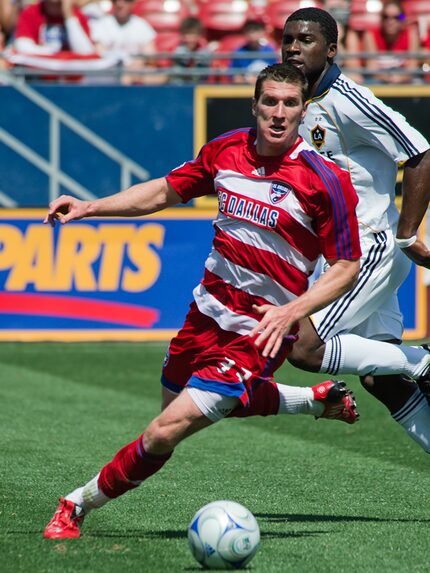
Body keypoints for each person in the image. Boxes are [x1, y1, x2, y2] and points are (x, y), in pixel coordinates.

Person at [42, 63, 362, 539]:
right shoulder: (225, 150)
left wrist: (292, 312)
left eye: (290, 104)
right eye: (269, 102)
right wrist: (91, 206)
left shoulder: (325, 181)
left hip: (260, 333)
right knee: (178, 405)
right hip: (204, 316)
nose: (278, 113)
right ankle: (312, 402)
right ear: (254, 105)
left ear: (304, 110)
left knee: (163, 432)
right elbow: (164, 192)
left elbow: (345, 267)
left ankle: (74, 505)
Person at [245, 7, 430, 453]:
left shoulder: (351, 101)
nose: (292, 47)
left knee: (303, 346)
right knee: (379, 377)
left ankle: (424, 361)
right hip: (340, 253)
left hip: (369, 248)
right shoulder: (296, 103)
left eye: (305, 40)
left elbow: (421, 154)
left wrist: (405, 235)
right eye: (287, 38)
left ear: (331, 50)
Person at [89, 0, 157, 84]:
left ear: (133, 4)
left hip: (137, 72)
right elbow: (99, 54)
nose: (120, 4)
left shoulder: (142, 25)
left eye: (126, 0)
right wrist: (123, 67)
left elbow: (151, 58)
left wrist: (137, 64)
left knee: (160, 75)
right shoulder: (102, 24)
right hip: (109, 73)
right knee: (123, 78)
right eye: (115, 0)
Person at [363, 0, 420, 85]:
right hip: (379, 79)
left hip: (405, 79)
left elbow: (412, 67)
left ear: (402, 19)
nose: (390, 21)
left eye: (396, 17)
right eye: (386, 17)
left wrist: (400, 78)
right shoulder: (371, 35)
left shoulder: (411, 35)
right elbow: (372, 68)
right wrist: (389, 78)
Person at [13, 0, 95, 56]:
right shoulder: (30, 12)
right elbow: (22, 47)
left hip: (71, 78)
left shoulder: (77, 15)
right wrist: (53, 54)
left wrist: (68, 15)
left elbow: (86, 53)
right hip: (40, 77)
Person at [230, 19, 278, 84]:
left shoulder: (270, 51)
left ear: (262, 31)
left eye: (256, 29)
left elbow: (275, 74)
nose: (252, 33)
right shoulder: (239, 52)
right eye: (248, 30)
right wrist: (245, 81)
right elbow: (234, 76)